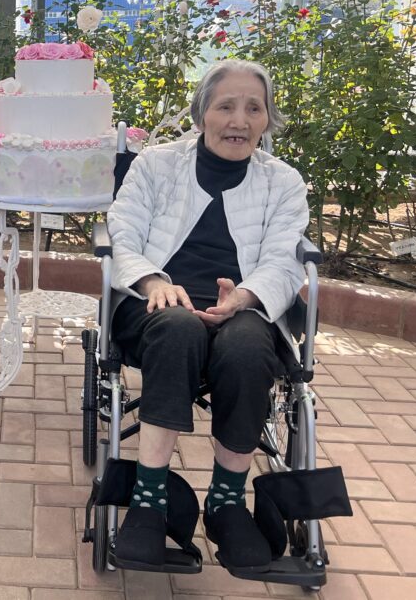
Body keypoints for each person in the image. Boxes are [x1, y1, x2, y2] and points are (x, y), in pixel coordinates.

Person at [106, 60, 309, 573]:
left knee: (245, 347)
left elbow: (285, 258)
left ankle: (225, 503)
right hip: (155, 301)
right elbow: (122, 232)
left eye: (253, 108)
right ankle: (150, 500)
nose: (238, 120)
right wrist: (154, 281)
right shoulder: (154, 164)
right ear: (201, 114)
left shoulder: (283, 183)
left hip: (244, 306)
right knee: (176, 327)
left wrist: (243, 297)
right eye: (225, 106)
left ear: (267, 120)